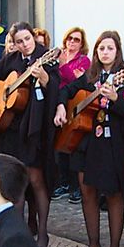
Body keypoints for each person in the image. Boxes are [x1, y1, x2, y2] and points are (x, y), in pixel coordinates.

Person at [54, 31, 124, 247]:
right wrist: (62, 108)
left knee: (114, 194)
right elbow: (66, 90)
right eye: (101, 48)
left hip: (113, 142)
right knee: (87, 193)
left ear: (118, 51)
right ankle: (93, 244)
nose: (105, 52)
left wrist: (115, 98)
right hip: (85, 142)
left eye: (110, 48)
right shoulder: (90, 75)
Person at [0, 22, 60, 247]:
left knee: (36, 180)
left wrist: (43, 77)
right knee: (15, 183)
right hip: (12, 130)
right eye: (19, 41)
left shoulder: (46, 56)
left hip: (35, 128)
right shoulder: (11, 60)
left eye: (28, 39)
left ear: (34, 37)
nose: (24, 45)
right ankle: (18, 233)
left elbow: (56, 87)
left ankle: (42, 233)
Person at [53, 27, 91, 205]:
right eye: (70, 38)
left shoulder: (84, 60)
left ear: (82, 43)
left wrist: (62, 66)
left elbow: (77, 82)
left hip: (74, 102)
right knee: (59, 142)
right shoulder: (59, 55)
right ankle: (63, 182)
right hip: (58, 100)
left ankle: (75, 187)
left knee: (72, 142)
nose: (72, 42)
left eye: (76, 39)